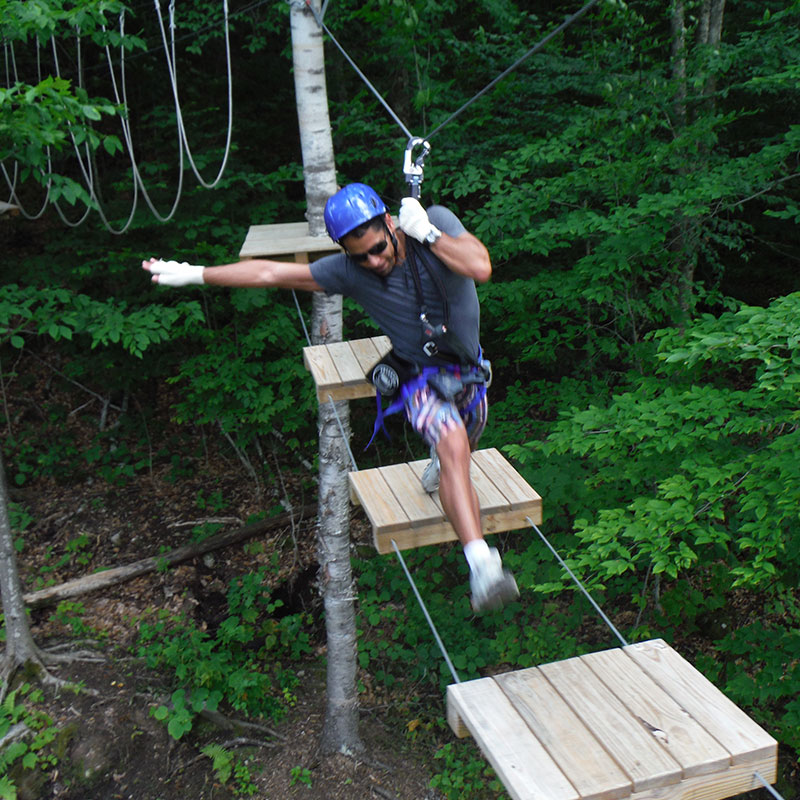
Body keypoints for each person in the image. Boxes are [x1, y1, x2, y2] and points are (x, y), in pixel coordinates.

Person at [142, 183, 518, 613]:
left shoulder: (435, 224)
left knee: (457, 455)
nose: (374, 262)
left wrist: (428, 233)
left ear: (391, 223)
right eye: (361, 256)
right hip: (419, 378)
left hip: (470, 375)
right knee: (453, 448)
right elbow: (271, 274)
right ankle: (482, 568)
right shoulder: (349, 272)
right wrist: (196, 273)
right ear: (345, 253)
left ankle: (442, 463)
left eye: (378, 247)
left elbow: (481, 266)